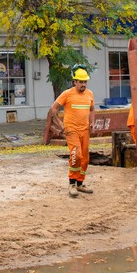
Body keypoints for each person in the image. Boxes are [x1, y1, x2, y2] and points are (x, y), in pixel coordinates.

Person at [47, 66, 95, 197]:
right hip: (71, 130)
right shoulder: (67, 94)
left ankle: (80, 183)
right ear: (75, 82)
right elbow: (53, 109)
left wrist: (92, 122)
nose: (83, 84)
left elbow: (92, 110)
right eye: (81, 82)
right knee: (76, 155)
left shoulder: (90, 94)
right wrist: (60, 124)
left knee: (84, 158)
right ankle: (72, 183)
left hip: (85, 130)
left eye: (85, 82)